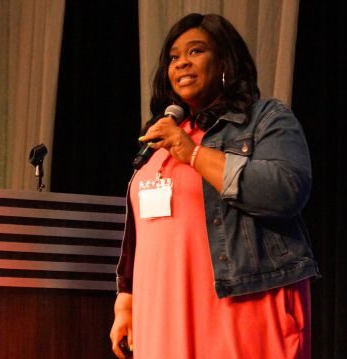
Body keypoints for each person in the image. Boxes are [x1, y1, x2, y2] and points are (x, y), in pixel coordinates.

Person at [110, 13, 320, 359]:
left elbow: (286, 190)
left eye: (196, 51)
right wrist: (127, 299)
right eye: (174, 57)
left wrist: (192, 153)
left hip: (240, 304)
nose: (181, 64)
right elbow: (144, 226)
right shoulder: (164, 134)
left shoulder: (265, 118)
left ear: (224, 61)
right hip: (163, 310)